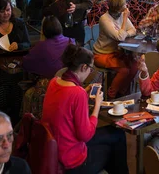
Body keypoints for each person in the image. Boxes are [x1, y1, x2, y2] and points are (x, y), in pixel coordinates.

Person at [42, 44, 128, 174]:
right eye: (90, 69)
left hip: (54, 148)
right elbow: (86, 135)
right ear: (84, 67)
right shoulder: (77, 93)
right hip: (71, 160)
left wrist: (83, 91)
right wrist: (97, 106)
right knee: (116, 144)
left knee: (116, 134)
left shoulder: (54, 82)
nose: (90, 73)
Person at [93, 0, 137, 99]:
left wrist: (126, 33)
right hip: (102, 54)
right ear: (119, 8)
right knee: (124, 70)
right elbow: (119, 37)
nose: (127, 6)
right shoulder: (105, 19)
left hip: (117, 53)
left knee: (135, 65)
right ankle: (111, 95)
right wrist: (125, 19)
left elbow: (133, 30)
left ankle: (122, 93)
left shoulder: (121, 15)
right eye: (124, 4)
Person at [0, 0, 31, 123]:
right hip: (0, 67)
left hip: (17, 65)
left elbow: (28, 43)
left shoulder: (19, 23)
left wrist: (19, 45)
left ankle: (16, 120)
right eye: (2, 11)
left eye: (8, 10)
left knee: (17, 93)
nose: (6, 14)